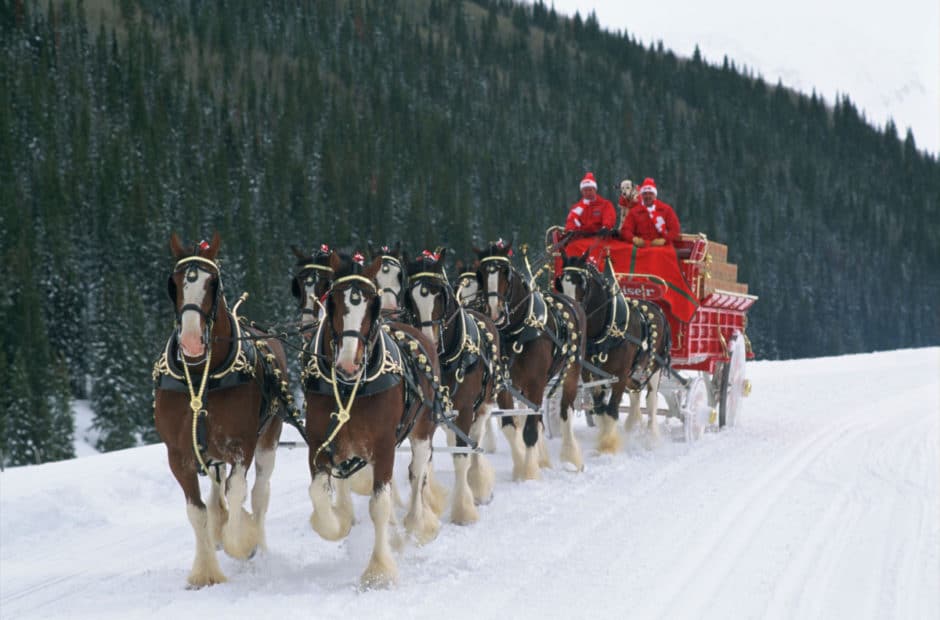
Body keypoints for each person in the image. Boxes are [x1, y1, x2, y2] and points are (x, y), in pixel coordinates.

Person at [619, 177, 681, 247]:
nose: (648, 196)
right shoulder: (634, 212)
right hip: (640, 247)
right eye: (645, 194)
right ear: (642, 195)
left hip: (662, 247)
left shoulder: (666, 209)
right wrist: (634, 239)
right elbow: (626, 230)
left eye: (650, 193)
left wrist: (664, 240)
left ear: (655, 195)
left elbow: (675, 229)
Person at [564, 172, 616, 236]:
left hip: (601, 236)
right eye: (585, 190)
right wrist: (570, 230)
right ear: (582, 191)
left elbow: (609, 217)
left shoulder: (605, 205)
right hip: (582, 237)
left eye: (590, 190)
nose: (588, 193)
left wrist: (605, 227)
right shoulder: (577, 208)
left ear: (595, 190)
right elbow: (571, 221)